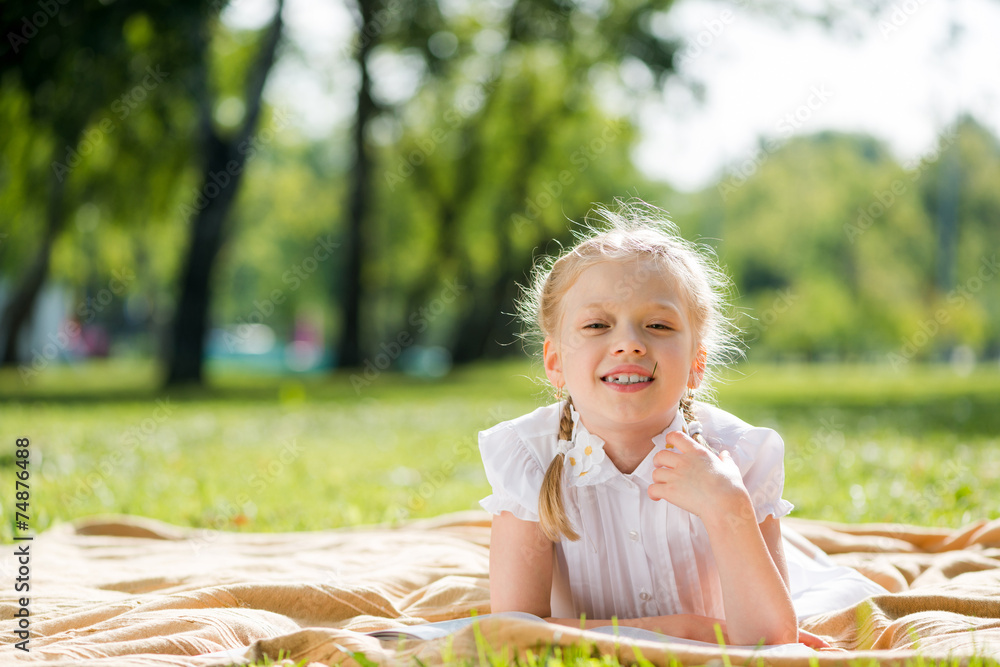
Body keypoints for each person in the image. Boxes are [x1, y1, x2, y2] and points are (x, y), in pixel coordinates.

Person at [479, 201, 885, 649]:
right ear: (555, 363)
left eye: (657, 324)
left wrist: (727, 506)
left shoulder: (739, 456)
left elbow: (770, 640)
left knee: (832, 584)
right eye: (597, 325)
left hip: (766, 571)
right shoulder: (529, 457)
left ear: (696, 365)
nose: (629, 344)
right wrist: (682, 631)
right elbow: (513, 634)